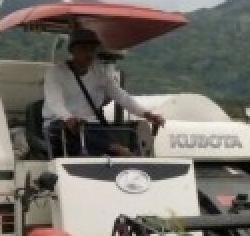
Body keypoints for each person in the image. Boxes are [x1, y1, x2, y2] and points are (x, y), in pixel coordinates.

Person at [42, 28, 165, 156]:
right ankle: (118, 149)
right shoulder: (55, 73)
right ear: (72, 50)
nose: (88, 53)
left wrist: (147, 114)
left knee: (100, 136)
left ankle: (120, 152)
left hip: (91, 126)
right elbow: (54, 102)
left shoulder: (99, 72)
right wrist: (67, 118)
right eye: (84, 48)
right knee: (86, 136)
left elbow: (121, 96)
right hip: (59, 126)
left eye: (92, 49)